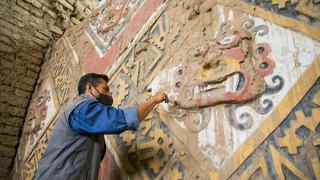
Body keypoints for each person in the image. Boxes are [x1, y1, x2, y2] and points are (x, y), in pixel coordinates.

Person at [35, 73, 168, 180]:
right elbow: (121, 120)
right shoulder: (81, 109)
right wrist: (155, 99)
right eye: (105, 89)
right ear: (90, 88)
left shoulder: (88, 121)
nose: (110, 94)